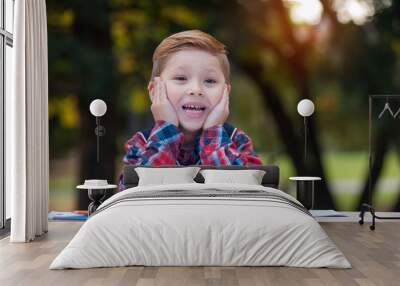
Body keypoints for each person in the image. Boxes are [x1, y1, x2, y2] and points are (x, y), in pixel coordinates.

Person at [118, 30, 262, 191]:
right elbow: (134, 198)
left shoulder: (238, 142)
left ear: (225, 93)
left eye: (209, 80)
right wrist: (167, 130)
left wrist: (213, 135)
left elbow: (249, 197)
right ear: (154, 91)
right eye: (181, 78)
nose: (196, 89)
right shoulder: (141, 144)